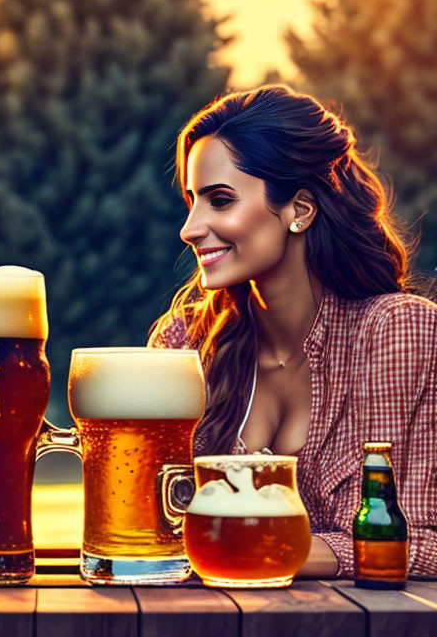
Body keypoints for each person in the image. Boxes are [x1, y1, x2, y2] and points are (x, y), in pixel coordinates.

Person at [149, 84, 436, 579]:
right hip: (200, 634)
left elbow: (418, 542)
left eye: (220, 201)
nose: (191, 227)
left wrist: (255, 550)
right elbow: (148, 534)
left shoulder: (394, 330)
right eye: (192, 201)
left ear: (299, 210)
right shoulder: (184, 344)